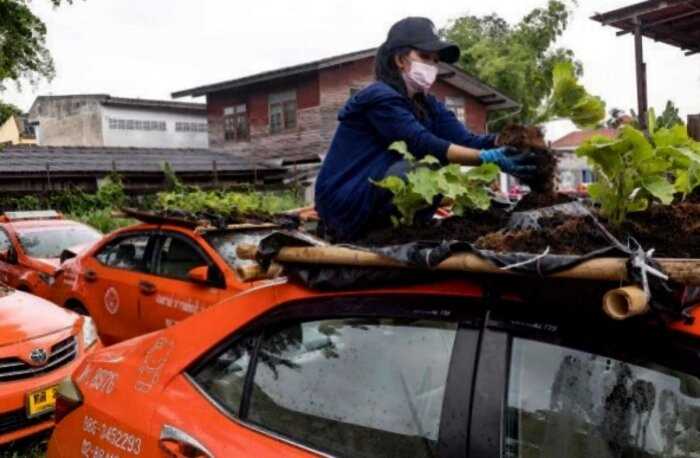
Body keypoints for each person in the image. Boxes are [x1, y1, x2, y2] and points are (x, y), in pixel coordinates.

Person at [315, 17, 537, 242]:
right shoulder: (379, 98)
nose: (431, 66)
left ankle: (402, 230)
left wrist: (507, 142)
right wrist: (487, 158)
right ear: (401, 59)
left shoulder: (427, 105)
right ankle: (378, 234)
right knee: (422, 170)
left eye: (435, 61)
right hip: (346, 203)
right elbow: (420, 142)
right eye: (424, 57)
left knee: (428, 168)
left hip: (376, 199)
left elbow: (466, 140)